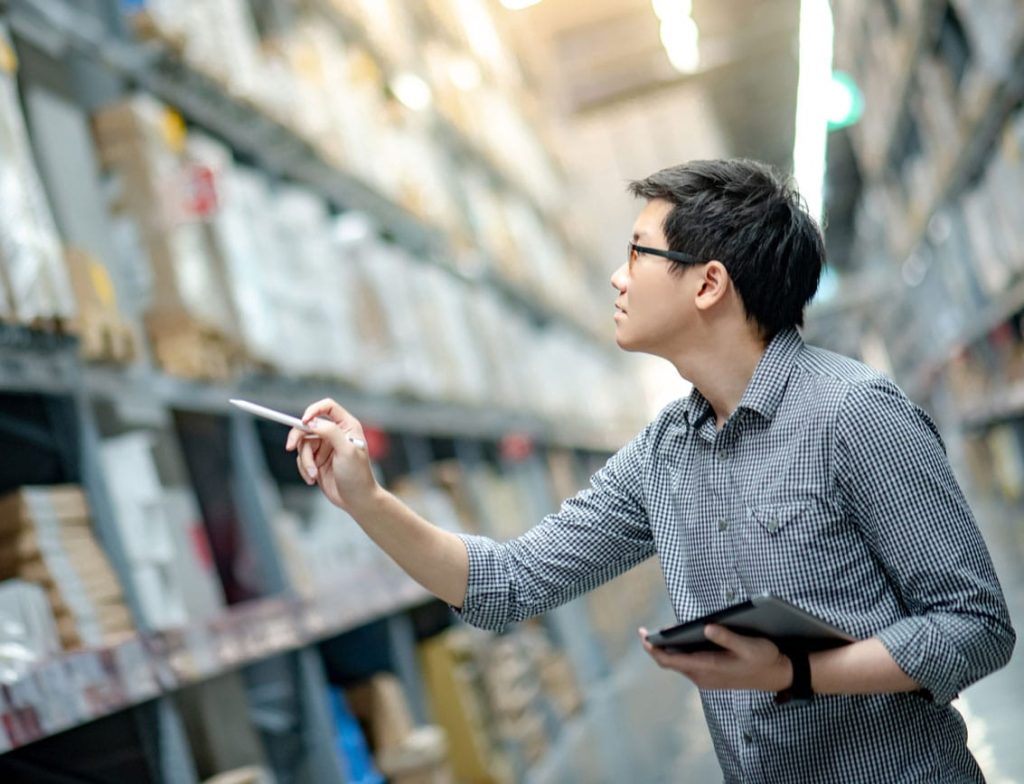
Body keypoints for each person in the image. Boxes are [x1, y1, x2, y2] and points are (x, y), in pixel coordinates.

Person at [285, 159, 1015, 783]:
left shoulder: (855, 415)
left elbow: (977, 625)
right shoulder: (664, 454)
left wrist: (797, 673)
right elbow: (507, 586)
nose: (616, 277)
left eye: (638, 253)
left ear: (708, 285)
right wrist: (367, 499)